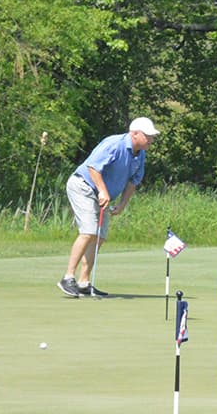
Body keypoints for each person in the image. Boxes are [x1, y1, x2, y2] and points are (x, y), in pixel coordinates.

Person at [57, 117, 159, 298]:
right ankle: (67, 277)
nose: (151, 139)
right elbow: (93, 167)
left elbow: (133, 182)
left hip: (101, 194)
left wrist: (121, 205)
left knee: (100, 237)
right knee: (89, 231)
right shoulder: (114, 144)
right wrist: (104, 192)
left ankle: (84, 282)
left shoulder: (140, 154)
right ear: (134, 134)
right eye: (148, 136)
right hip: (83, 186)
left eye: (152, 136)